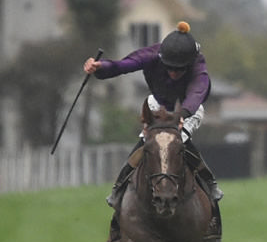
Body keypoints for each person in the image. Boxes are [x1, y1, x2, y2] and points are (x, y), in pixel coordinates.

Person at [84, 21, 223, 208]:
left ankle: (210, 182)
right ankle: (119, 187)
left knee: (178, 140)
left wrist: (182, 114)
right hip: (158, 104)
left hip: (188, 108)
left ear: (189, 63)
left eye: (179, 68)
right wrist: (100, 68)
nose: (173, 73)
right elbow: (123, 65)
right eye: (169, 67)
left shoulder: (198, 63)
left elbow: (198, 91)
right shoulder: (152, 54)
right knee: (146, 141)